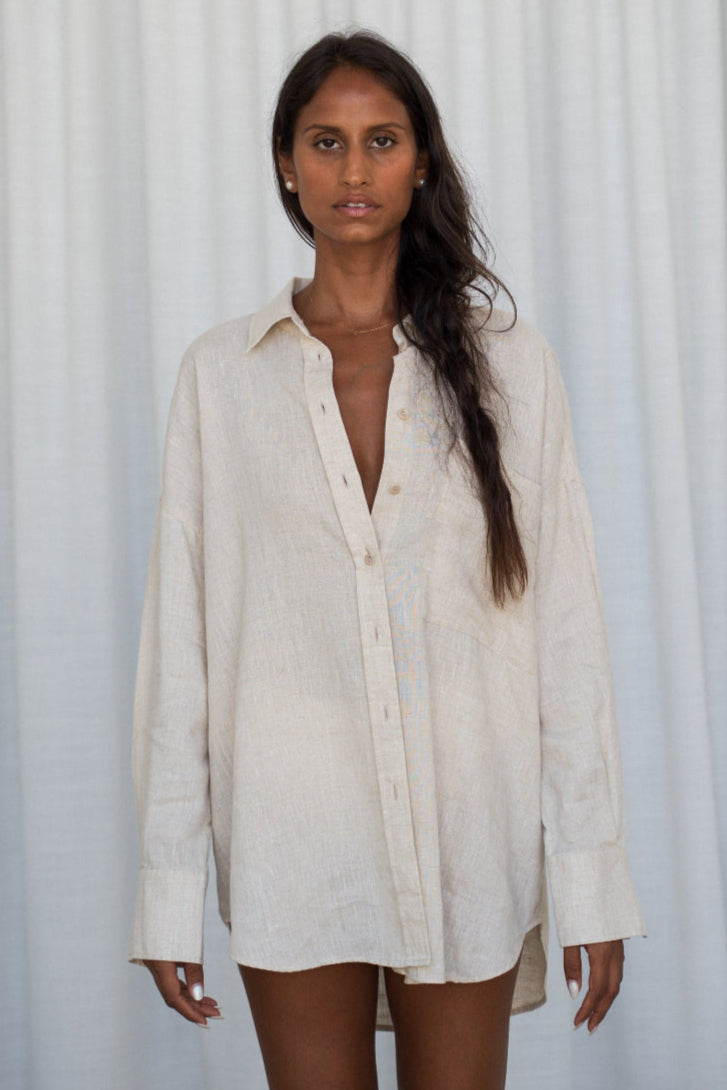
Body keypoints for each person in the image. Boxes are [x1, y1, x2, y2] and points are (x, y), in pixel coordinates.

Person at [128, 27, 646, 1090]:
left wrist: (590, 883)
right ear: (285, 160)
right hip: (291, 831)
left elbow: (567, 636)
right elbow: (180, 651)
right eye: (325, 142)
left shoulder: (510, 367)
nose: (353, 171)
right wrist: (166, 887)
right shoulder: (221, 378)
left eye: (381, 141)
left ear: (422, 161)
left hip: (467, 832)